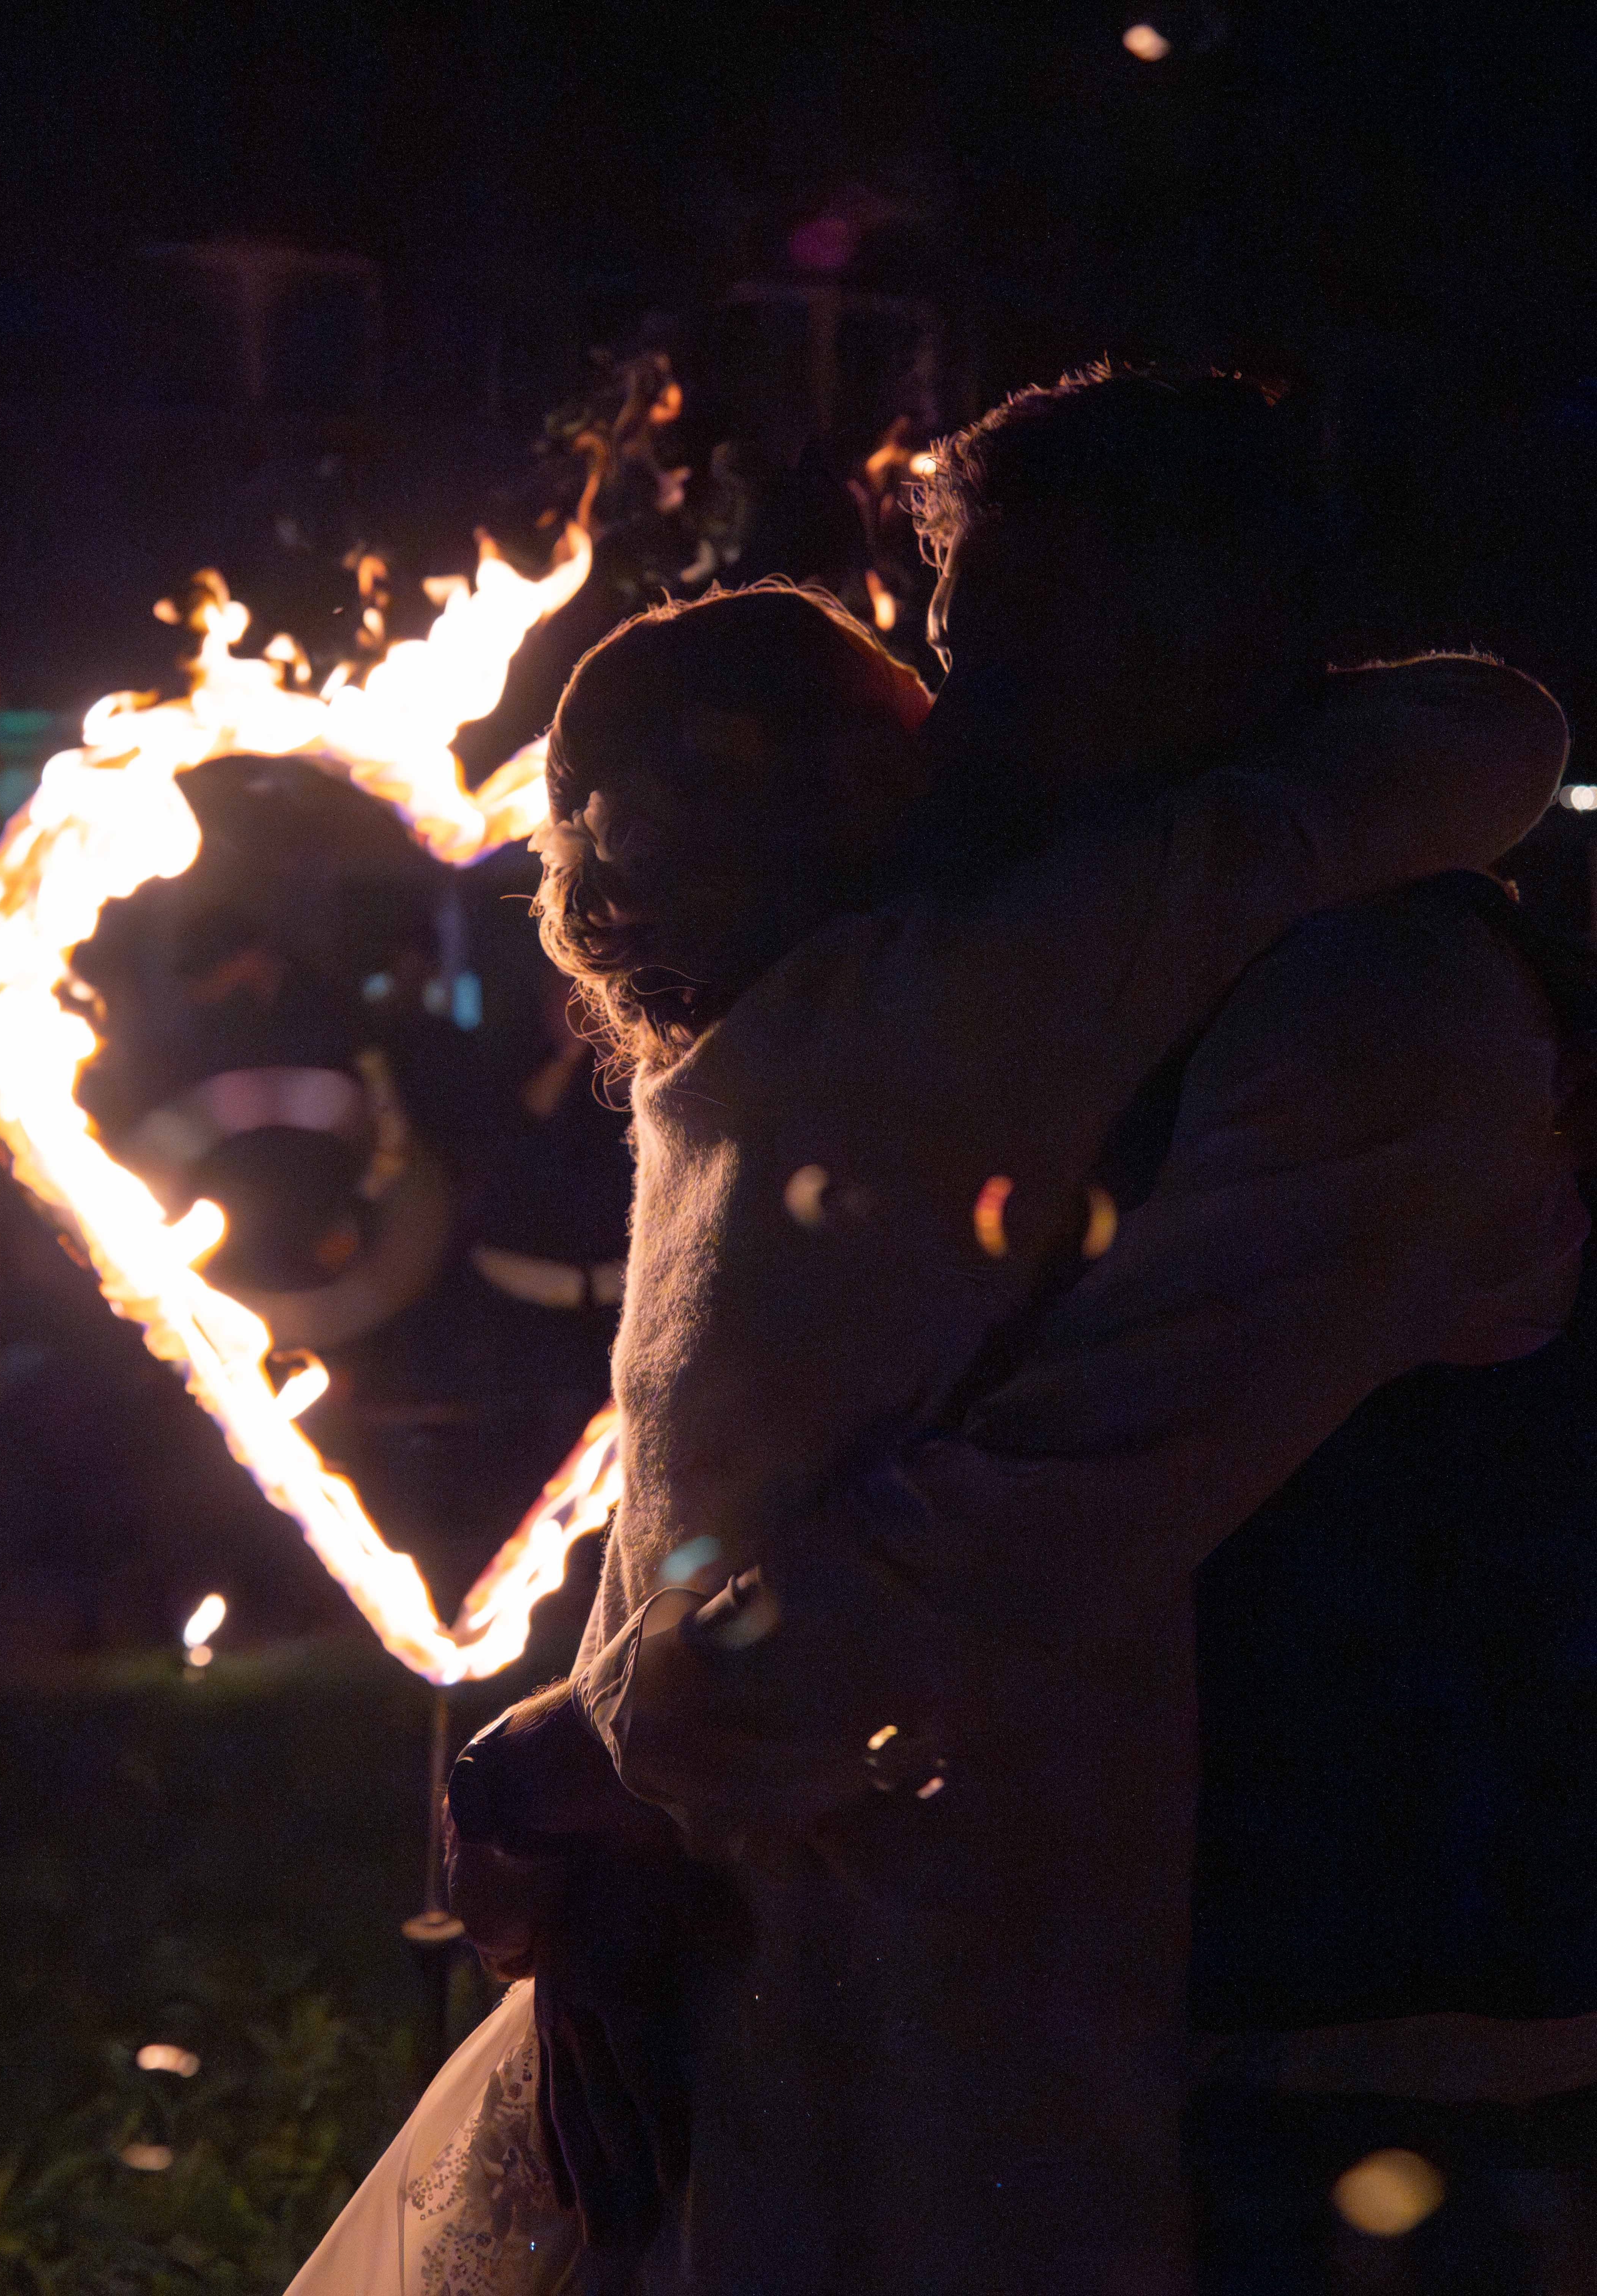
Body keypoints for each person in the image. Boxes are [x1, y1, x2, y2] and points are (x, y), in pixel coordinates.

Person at [287, 380, 1580, 2296]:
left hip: (1347, 2030)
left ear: (1232, 641)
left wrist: (611, 1762)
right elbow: (768, 1422)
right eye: (960, 647)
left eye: (1028, 650)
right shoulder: (1034, 979)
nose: (961, 722)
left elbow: (1034, 1512)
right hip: (1109, 2003)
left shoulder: (1378, 1008)